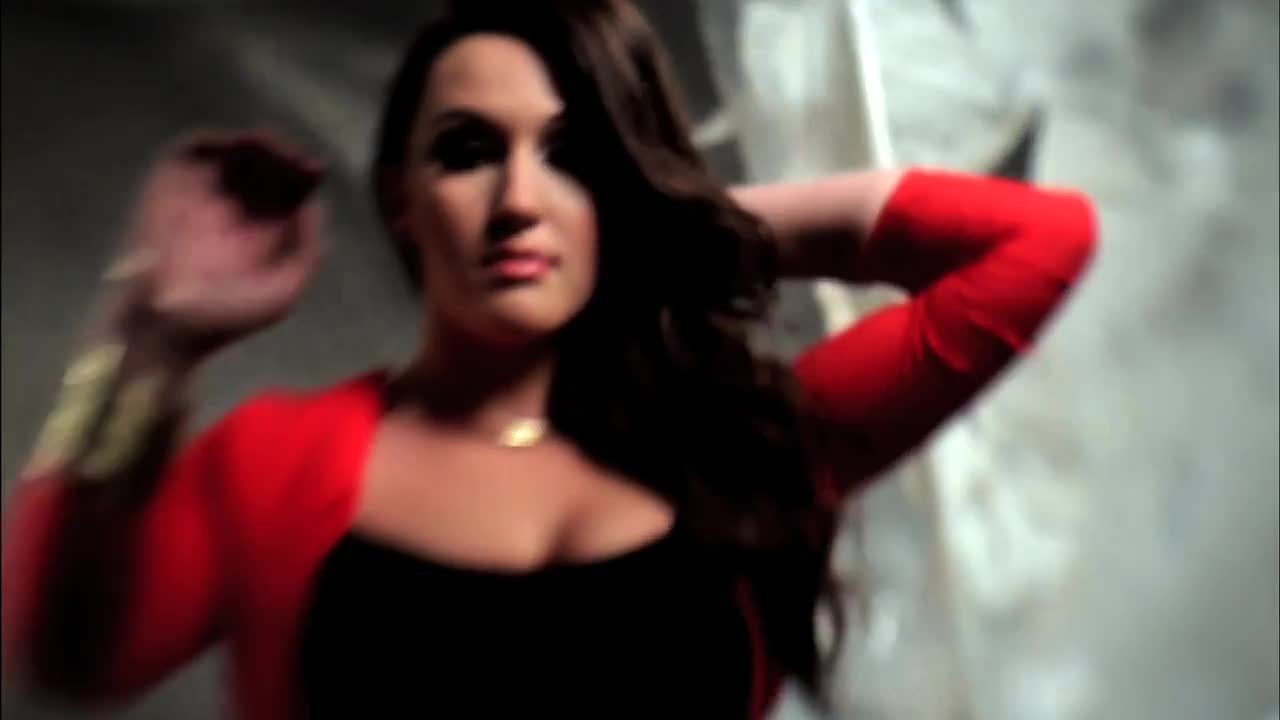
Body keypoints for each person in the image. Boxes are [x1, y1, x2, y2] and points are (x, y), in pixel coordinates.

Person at [1, 1, 1098, 718]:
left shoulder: (747, 450)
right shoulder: (277, 458)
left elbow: (1037, 244)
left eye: (572, 159)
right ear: (401, 198)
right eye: (468, 151)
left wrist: (682, 224)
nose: (519, 199)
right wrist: (145, 337)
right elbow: (62, 649)